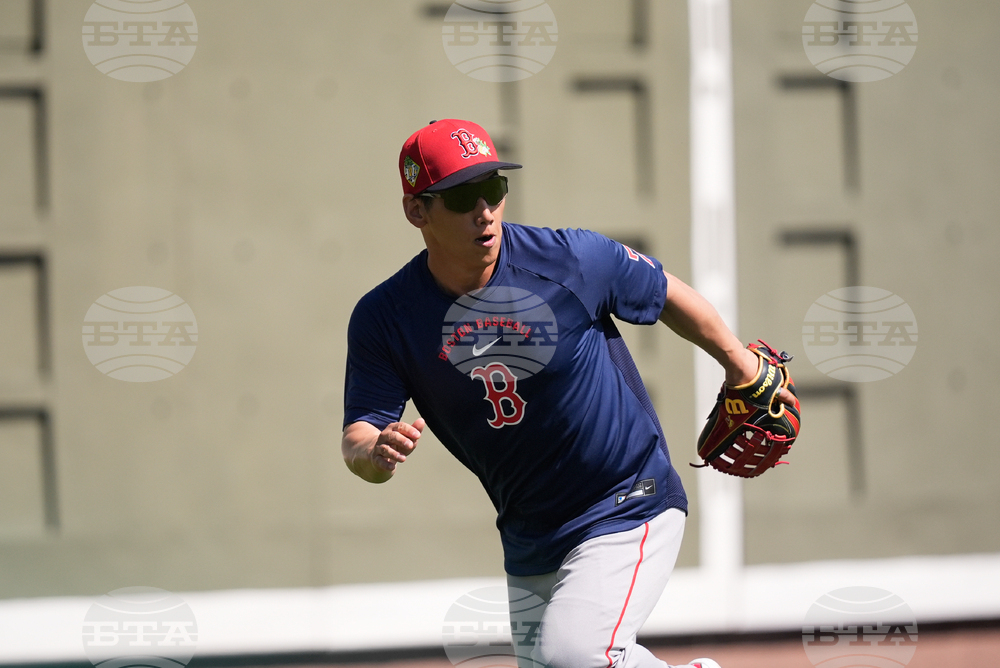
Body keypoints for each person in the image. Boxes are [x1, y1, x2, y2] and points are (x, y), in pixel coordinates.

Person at [342, 119, 794, 668]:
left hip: (625, 498)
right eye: (462, 197)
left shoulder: (569, 259)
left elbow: (664, 292)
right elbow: (359, 433)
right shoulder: (385, 318)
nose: (485, 211)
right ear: (417, 211)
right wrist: (374, 454)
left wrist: (739, 363)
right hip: (530, 534)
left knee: (576, 657)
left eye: (494, 188)